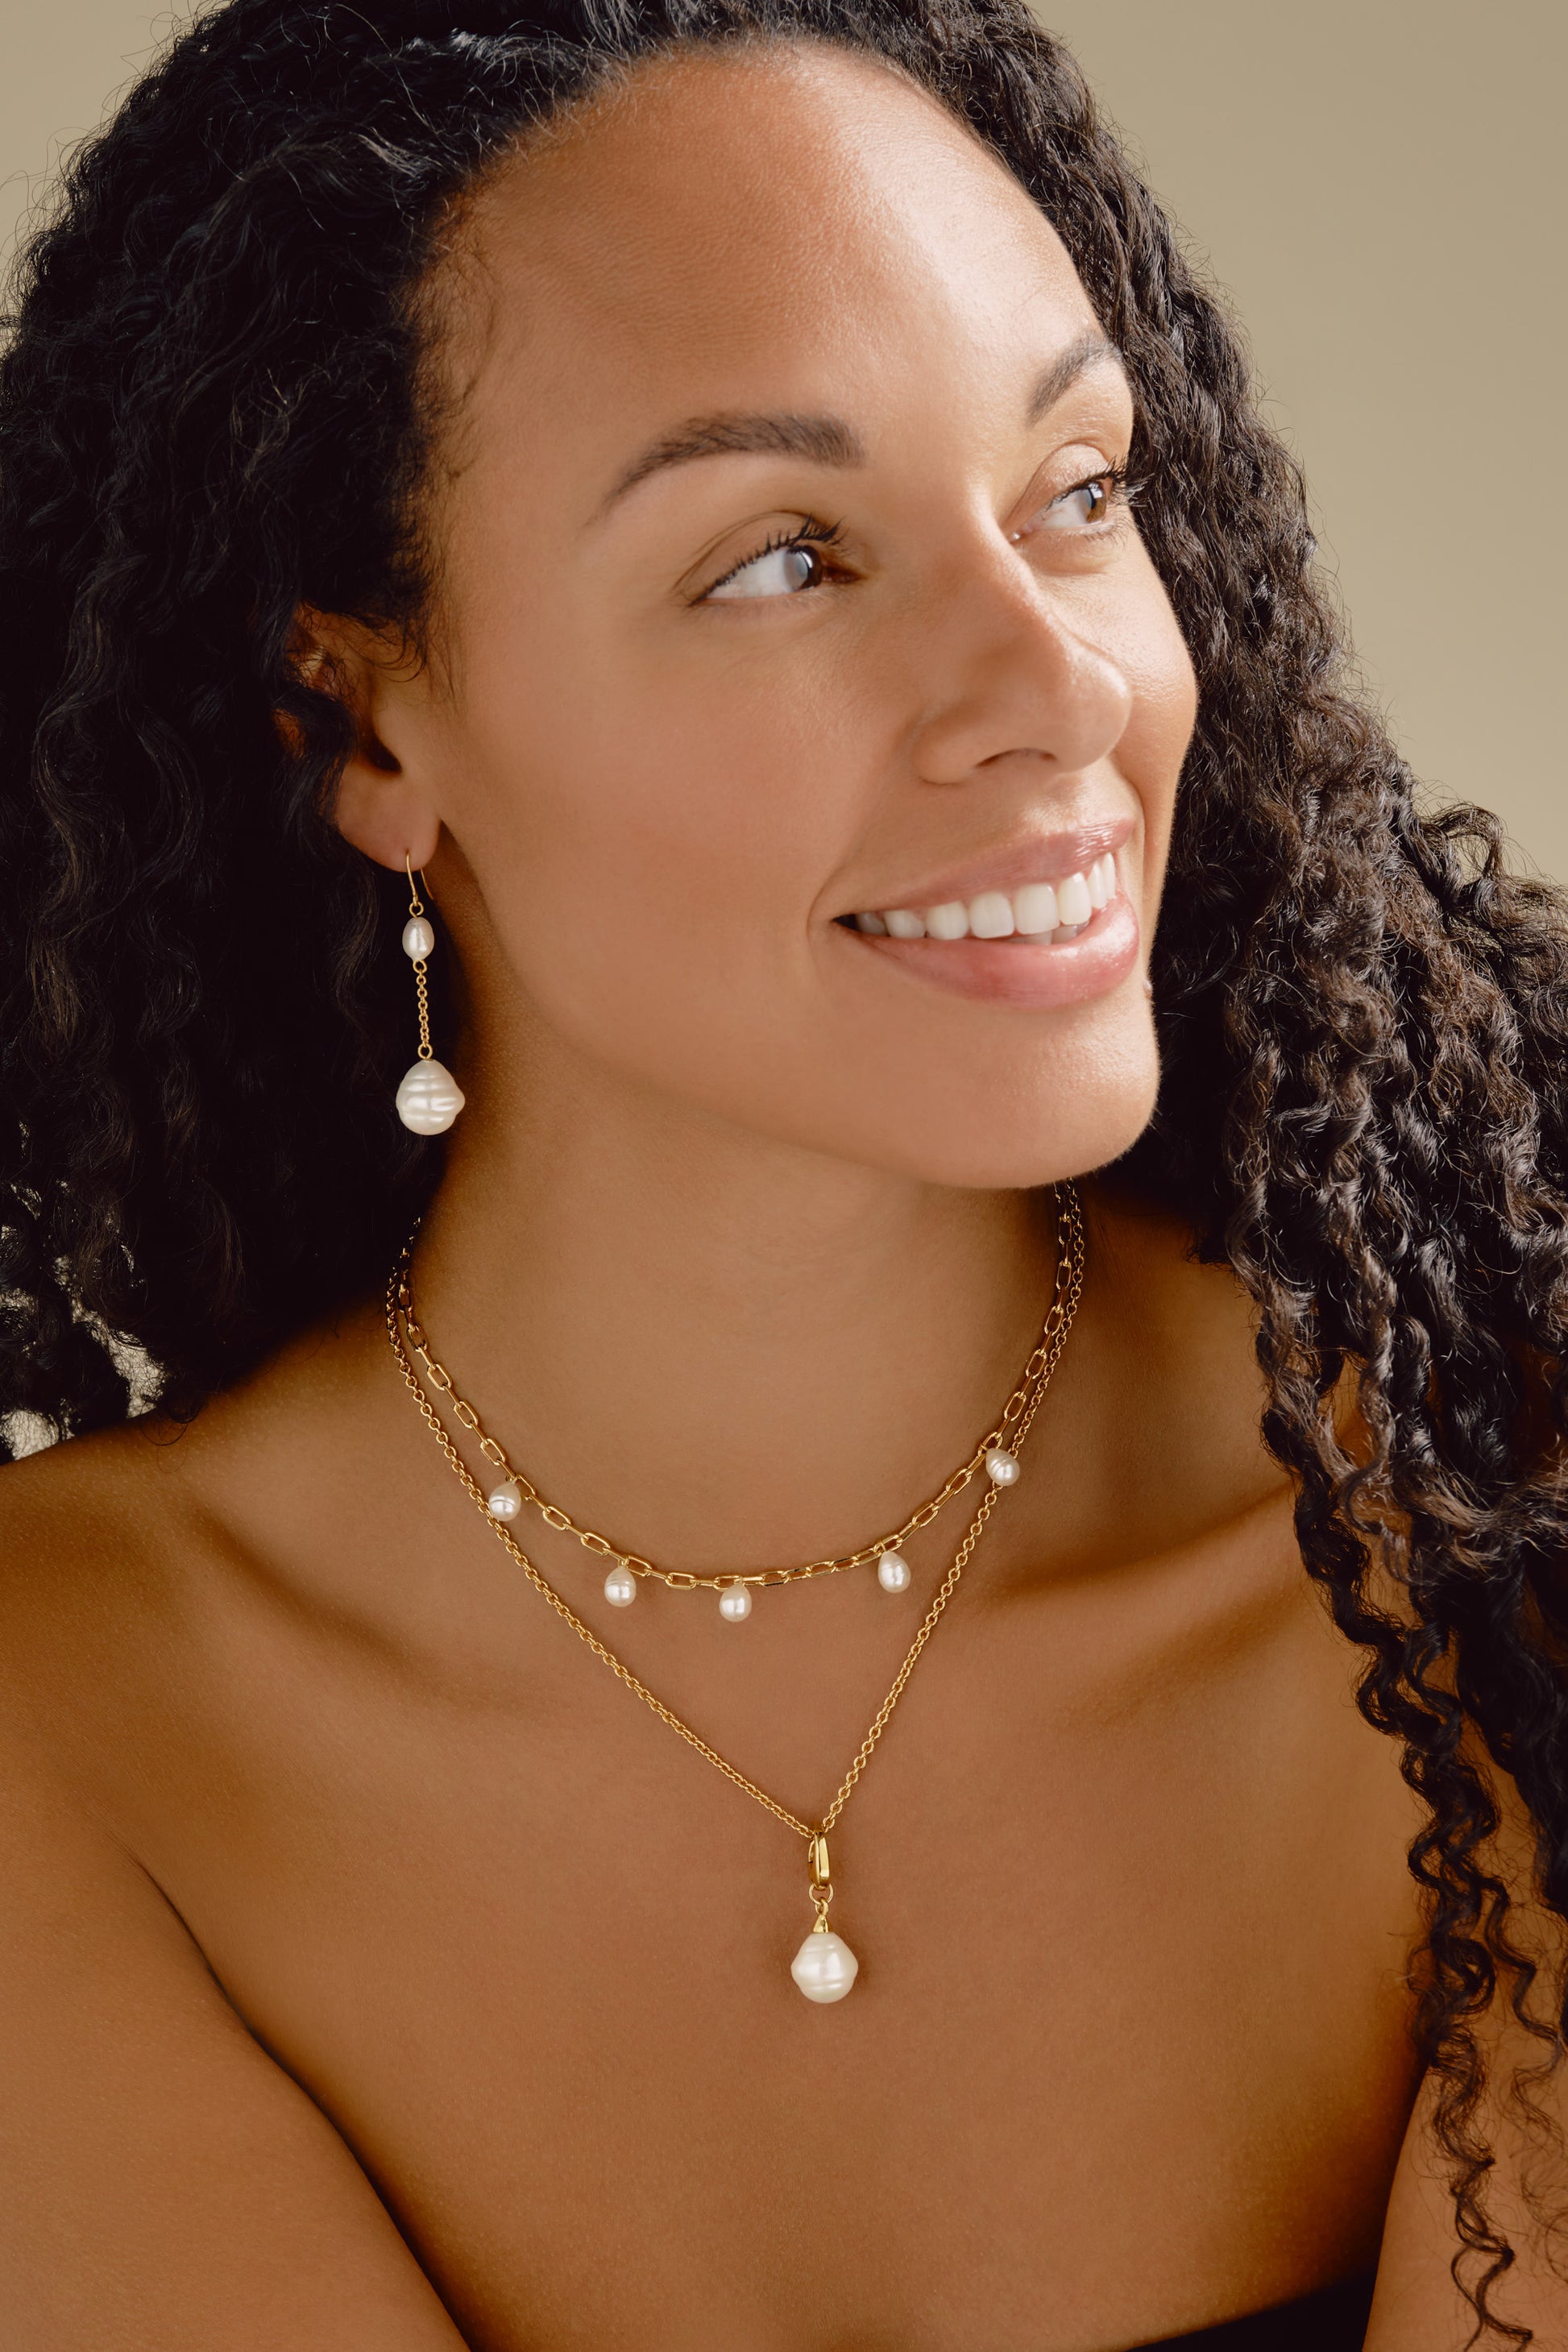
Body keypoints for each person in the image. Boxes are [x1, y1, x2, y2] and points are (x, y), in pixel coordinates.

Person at [2, 1, 1564, 2344]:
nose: (1049, 685)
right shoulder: (79, 1728)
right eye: (781, 562)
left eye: (1074, 490)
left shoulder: (1488, 1506)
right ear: (359, 721)